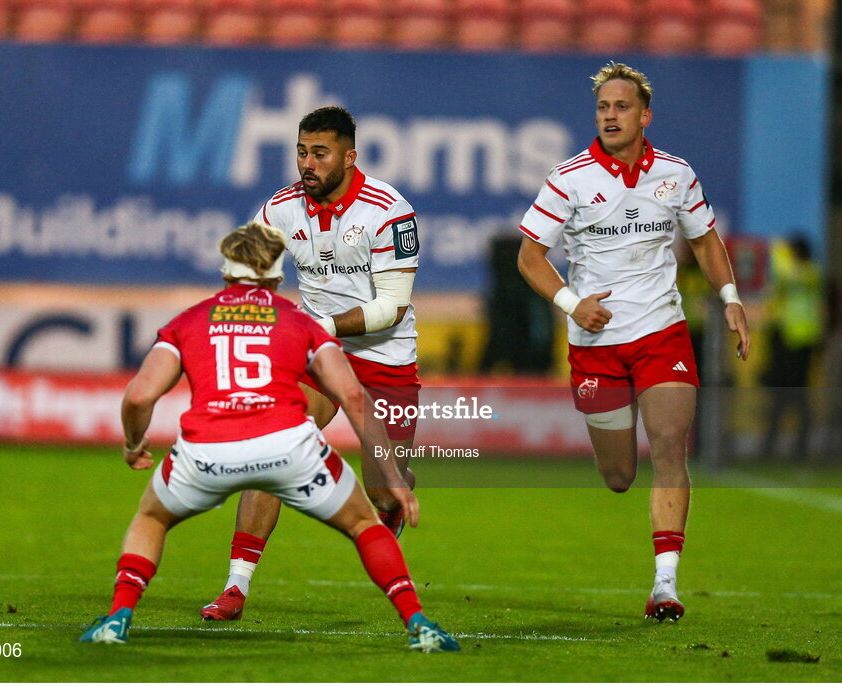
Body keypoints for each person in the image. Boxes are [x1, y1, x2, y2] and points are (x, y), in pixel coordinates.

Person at [78, 222, 458, 653]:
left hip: (206, 449)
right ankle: (419, 624)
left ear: (225, 273)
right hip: (287, 447)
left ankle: (118, 619)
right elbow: (352, 396)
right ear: (278, 277)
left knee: (151, 518)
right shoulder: (300, 323)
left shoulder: (188, 321)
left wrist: (133, 444)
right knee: (363, 523)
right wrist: (389, 472)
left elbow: (139, 396)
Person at [516, 62, 751, 622]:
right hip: (595, 342)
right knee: (619, 476)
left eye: (621, 107)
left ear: (644, 115)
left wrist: (732, 298)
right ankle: (650, 545)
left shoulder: (675, 174)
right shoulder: (569, 179)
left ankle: (665, 586)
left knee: (671, 446)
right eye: (603, 108)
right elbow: (529, 258)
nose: (610, 116)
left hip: (660, 329)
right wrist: (574, 304)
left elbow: (705, 239)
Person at [201, 106, 424, 622]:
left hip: (385, 354)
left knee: (383, 490)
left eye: (319, 153)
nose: (307, 163)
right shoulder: (281, 207)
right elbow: (244, 268)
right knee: (273, 442)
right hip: (318, 352)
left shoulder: (389, 211)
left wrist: (319, 326)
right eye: (301, 152)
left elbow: (390, 307)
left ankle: (392, 496)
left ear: (348, 156)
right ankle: (236, 585)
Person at [759, 234, 824, 460]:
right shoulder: (795, 274)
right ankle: (772, 446)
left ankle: (799, 447)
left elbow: (788, 276)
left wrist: (777, 251)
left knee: (796, 395)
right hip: (785, 339)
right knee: (781, 396)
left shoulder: (811, 273)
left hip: (801, 342)